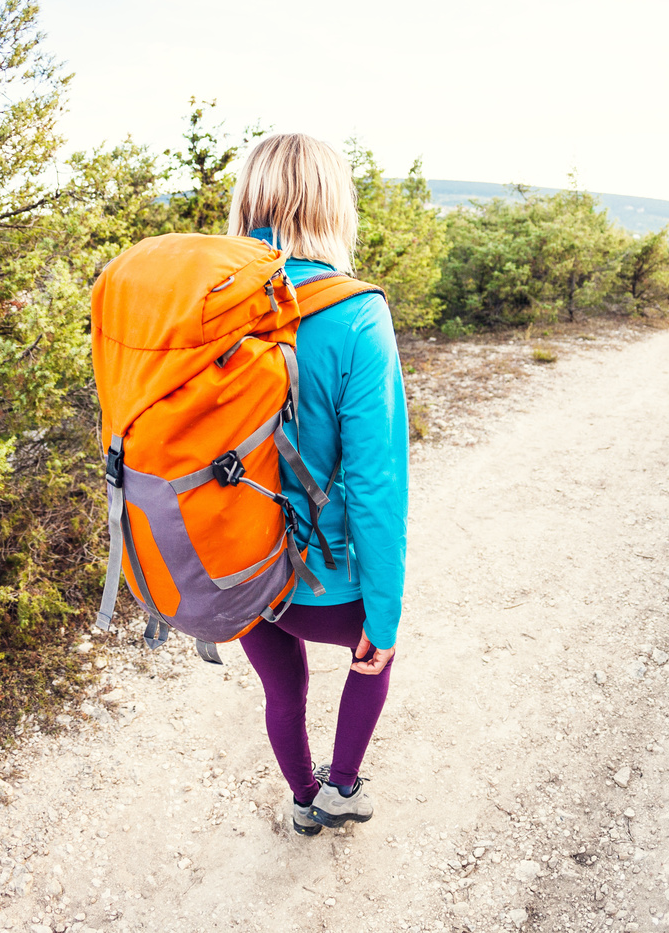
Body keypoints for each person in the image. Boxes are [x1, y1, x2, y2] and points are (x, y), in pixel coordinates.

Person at [225, 133, 409, 836]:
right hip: (322, 589)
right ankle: (342, 786)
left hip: (237, 566)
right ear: (333, 207)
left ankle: (302, 799)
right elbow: (374, 485)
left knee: (284, 684)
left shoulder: (217, 308)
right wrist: (384, 615)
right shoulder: (357, 313)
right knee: (374, 655)